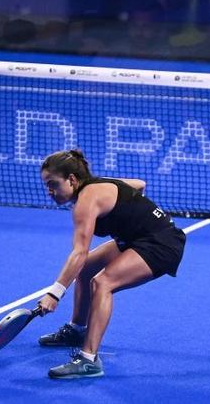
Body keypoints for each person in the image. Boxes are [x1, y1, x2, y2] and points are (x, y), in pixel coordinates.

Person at [36, 150, 186, 379]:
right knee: (86, 270)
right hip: (138, 238)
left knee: (103, 283)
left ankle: (88, 360)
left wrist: (54, 293)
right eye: (46, 185)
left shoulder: (86, 201)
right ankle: (77, 331)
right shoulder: (99, 184)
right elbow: (139, 185)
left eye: (53, 184)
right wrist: (130, 215)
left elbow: (79, 252)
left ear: (72, 180)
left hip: (161, 244)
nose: (50, 191)